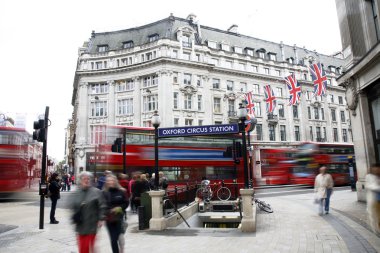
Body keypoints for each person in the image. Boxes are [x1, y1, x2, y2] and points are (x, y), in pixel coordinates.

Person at [71, 171, 106, 253]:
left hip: (92, 223)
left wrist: (101, 218)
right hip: (81, 225)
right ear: (80, 180)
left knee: (91, 246)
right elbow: (73, 206)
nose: (86, 180)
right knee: (83, 248)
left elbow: (102, 206)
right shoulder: (77, 192)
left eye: (88, 179)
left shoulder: (97, 192)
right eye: (84, 179)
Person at [103, 175, 128, 253]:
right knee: (113, 240)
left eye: (112, 180)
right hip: (109, 219)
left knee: (119, 237)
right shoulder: (104, 193)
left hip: (119, 218)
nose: (111, 182)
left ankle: (122, 250)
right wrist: (109, 211)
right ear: (106, 182)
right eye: (109, 181)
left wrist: (120, 207)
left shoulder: (121, 191)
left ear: (115, 181)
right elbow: (102, 206)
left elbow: (126, 203)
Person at [365, 164, 380, 235]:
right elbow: (369, 186)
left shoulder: (377, 176)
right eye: (374, 169)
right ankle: (376, 230)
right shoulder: (369, 177)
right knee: (374, 216)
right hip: (374, 200)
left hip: (377, 199)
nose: (376, 170)